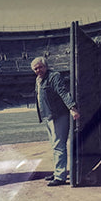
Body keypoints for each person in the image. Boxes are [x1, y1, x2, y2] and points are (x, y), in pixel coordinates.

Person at [31, 56, 80, 187]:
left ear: (45, 66)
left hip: (59, 115)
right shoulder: (38, 80)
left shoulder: (54, 76)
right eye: (35, 69)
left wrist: (72, 108)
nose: (38, 70)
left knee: (59, 146)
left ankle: (60, 176)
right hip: (48, 117)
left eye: (40, 67)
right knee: (55, 146)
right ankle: (58, 171)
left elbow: (63, 92)